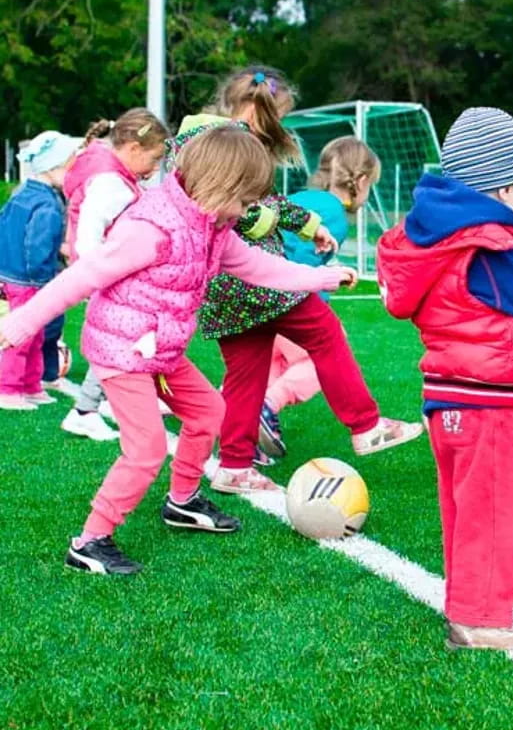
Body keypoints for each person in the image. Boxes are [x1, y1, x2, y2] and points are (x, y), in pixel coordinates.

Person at [0, 126, 358, 575]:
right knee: (146, 449)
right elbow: (83, 276)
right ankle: (89, 541)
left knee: (211, 412)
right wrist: (21, 322)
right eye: (246, 201)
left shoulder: (214, 225)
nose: (250, 212)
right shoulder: (150, 229)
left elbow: (257, 267)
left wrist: (321, 278)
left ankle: (183, 501)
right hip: (123, 352)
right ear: (219, 186)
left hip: (161, 350)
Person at [169, 65, 421, 493]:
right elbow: (241, 209)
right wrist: (279, 228)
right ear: (258, 110)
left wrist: (309, 226)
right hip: (255, 278)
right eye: (279, 117)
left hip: (223, 288)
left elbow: (265, 200)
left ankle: (233, 465)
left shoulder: (202, 137)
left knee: (247, 373)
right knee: (325, 334)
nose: (279, 127)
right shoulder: (227, 143)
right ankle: (366, 425)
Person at [377, 107, 513, 650]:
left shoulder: (446, 239)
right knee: (493, 511)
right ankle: (480, 620)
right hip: (481, 406)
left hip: (452, 396)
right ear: (504, 187)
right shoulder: (486, 244)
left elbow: (474, 314)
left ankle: (477, 601)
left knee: (467, 510)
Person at [258, 136, 382, 460]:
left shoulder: (304, 197)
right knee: (323, 355)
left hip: (256, 293)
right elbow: (301, 258)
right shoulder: (335, 215)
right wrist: (323, 280)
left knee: (266, 367)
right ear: (363, 181)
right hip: (285, 297)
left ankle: (239, 429)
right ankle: (267, 407)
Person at [59, 108, 170, 442]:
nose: (153, 171)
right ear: (134, 149)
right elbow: (90, 235)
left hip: (109, 274)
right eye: (154, 159)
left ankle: (99, 403)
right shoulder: (110, 182)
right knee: (120, 341)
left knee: (123, 339)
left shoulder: (113, 174)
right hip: (109, 277)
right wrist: (102, 274)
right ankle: (84, 410)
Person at [0, 131, 82, 411]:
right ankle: (9, 388)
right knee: (25, 334)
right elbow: (37, 247)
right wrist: (44, 280)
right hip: (30, 280)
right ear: (54, 167)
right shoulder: (47, 203)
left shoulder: (21, 192)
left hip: (13, 275)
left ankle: (30, 386)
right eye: (69, 165)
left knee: (34, 333)